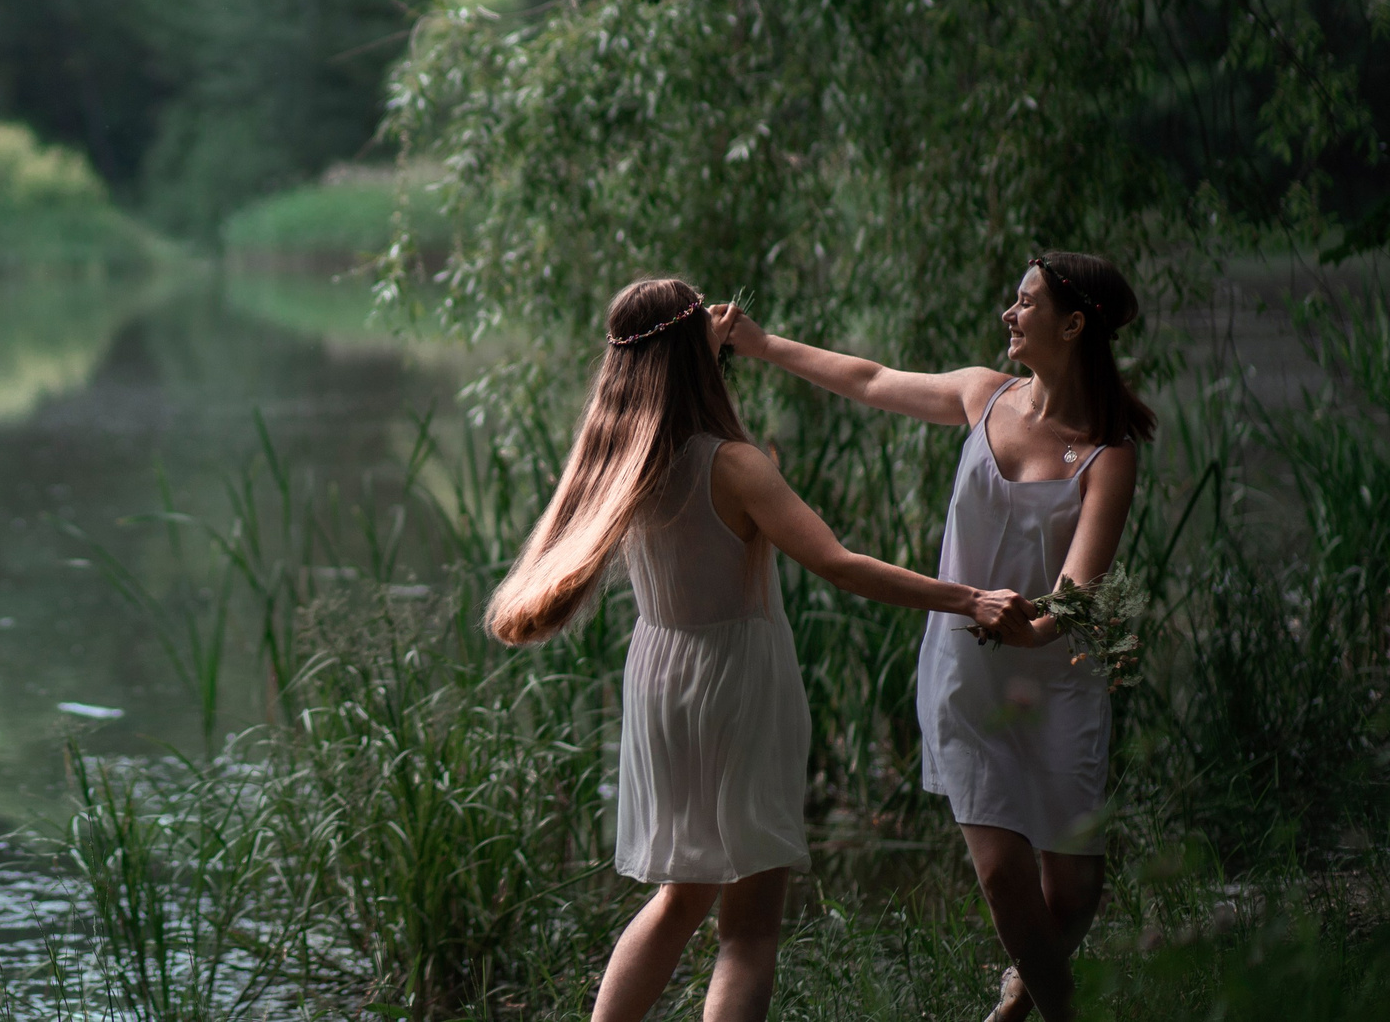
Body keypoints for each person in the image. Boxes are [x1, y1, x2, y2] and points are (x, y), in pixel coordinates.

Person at [487, 278, 1032, 1022]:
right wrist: (967, 597)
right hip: (735, 684)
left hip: (660, 680)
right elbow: (837, 564)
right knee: (747, 927)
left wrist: (705, 342)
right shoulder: (733, 465)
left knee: (680, 897)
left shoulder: (620, 464)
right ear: (694, 357)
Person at [719, 251, 1151, 1022]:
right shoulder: (984, 396)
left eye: (1025, 303)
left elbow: (1079, 590)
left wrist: (1036, 628)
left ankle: (1018, 997)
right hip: (964, 671)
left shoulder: (1108, 454)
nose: (1009, 316)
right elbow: (870, 379)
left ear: (1074, 323)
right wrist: (762, 344)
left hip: (1053, 679)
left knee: (1075, 893)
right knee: (1002, 878)